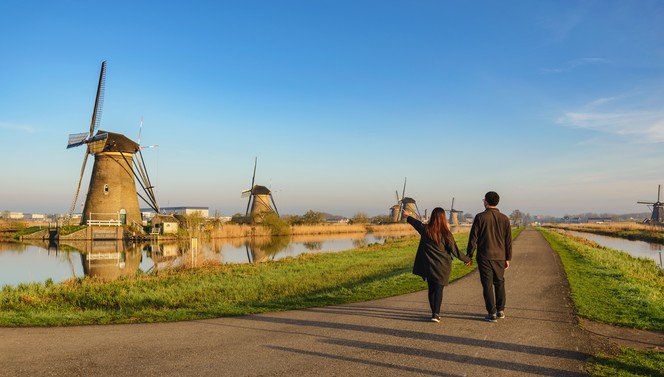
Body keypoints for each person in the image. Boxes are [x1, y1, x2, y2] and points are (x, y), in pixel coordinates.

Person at [404, 207, 470, 323]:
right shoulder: (446, 234)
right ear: (443, 218)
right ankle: (436, 313)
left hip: (428, 266)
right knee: (439, 289)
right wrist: (466, 259)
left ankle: (433, 312)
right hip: (442, 266)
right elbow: (455, 251)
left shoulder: (425, 230)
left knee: (431, 289)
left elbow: (415, 223)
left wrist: (407, 216)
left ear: (433, 218)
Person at [466, 191, 512, 323]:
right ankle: (500, 310)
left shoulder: (480, 217)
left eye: (483, 200)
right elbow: (508, 240)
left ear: (486, 201)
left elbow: (473, 238)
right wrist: (508, 258)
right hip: (500, 256)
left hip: (484, 255)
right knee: (499, 282)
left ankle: (491, 312)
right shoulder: (505, 218)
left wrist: (469, 255)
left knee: (487, 284)